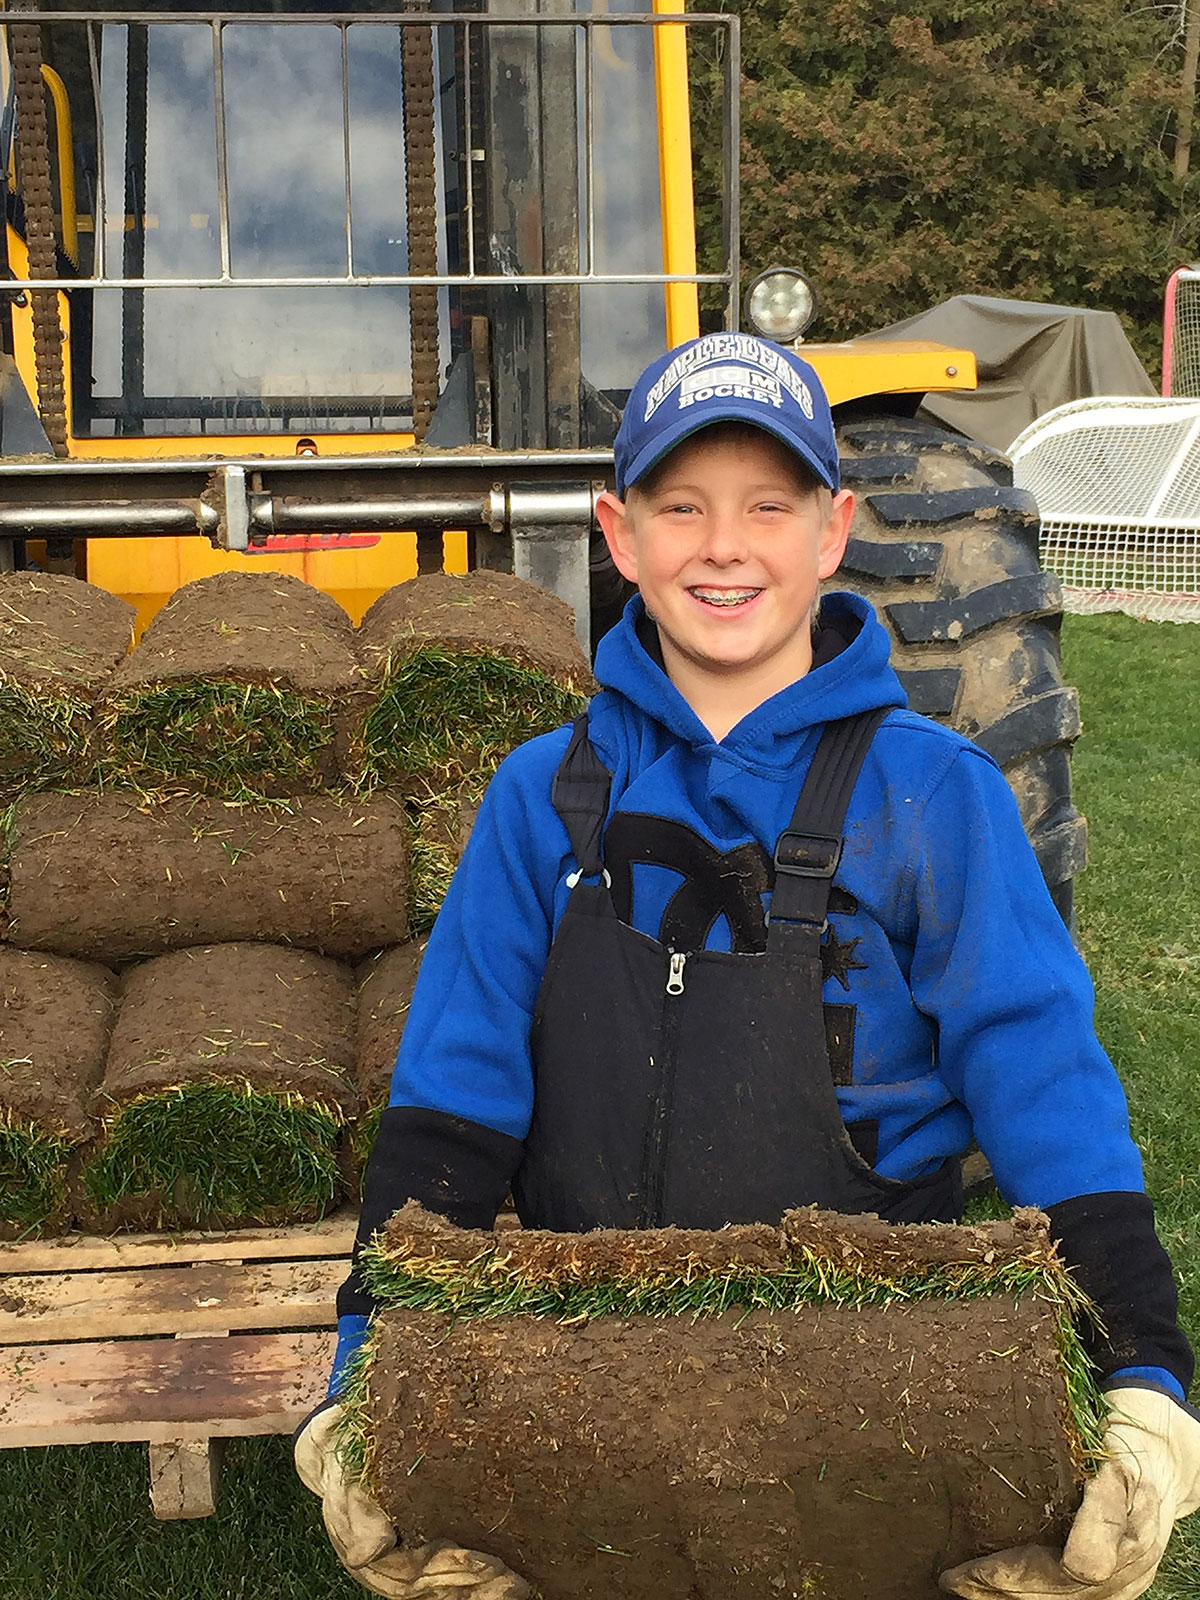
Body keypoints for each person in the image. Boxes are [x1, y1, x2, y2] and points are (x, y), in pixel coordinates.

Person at [295, 331, 1200, 1600]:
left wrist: (1147, 1381)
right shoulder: (539, 800)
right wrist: (361, 1380)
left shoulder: (934, 796)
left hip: (870, 1394)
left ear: (832, 532)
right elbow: (453, 1098)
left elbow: (1041, 1079)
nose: (725, 547)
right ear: (621, 534)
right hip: (589, 1383)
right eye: (683, 507)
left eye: (768, 507)